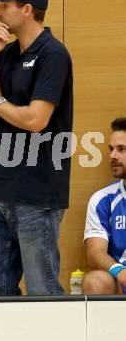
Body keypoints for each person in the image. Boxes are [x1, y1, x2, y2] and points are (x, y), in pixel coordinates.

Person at [0, 0, 73, 295]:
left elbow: (36, 119)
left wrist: (0, 102)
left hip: (37, 191)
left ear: (27, 9)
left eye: (4, 4)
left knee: (42, 289)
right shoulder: (7, 53)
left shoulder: (53, 54)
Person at [83, 118, 126, 295]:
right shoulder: (102, 199)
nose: (112, 156)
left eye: (121, 149)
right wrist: (120, 272)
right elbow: (95, 252)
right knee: (95, 281)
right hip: (120, 279)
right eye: (111, 149)